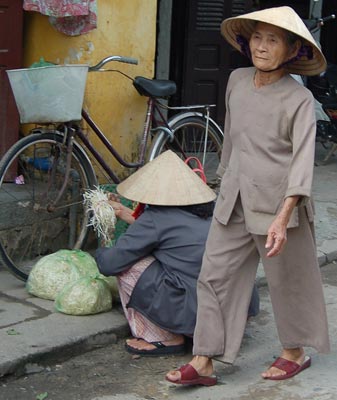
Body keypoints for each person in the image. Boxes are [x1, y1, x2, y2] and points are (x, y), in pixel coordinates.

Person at [166, 6, 330, 386]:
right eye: (257, 37)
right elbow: (232, 142)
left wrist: (283, 216)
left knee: (289, 281)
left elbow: (303, 162)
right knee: (214, 275)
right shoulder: (237, 81)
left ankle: (294, 351)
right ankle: (204, 359)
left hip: (280, 205)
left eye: (273, 40)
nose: (262, 46)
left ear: (291, 51)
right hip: (234, 197)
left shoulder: (298, 101)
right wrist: (220, 184)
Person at [95, 150, 260, 356]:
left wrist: (101, 250)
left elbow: (110, 264)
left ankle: (163, 338)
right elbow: (173, 235)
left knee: (130, 266)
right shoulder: (211, 209)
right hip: (238, 312)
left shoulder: (156, 218)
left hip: (199, 316)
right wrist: (127, 216)